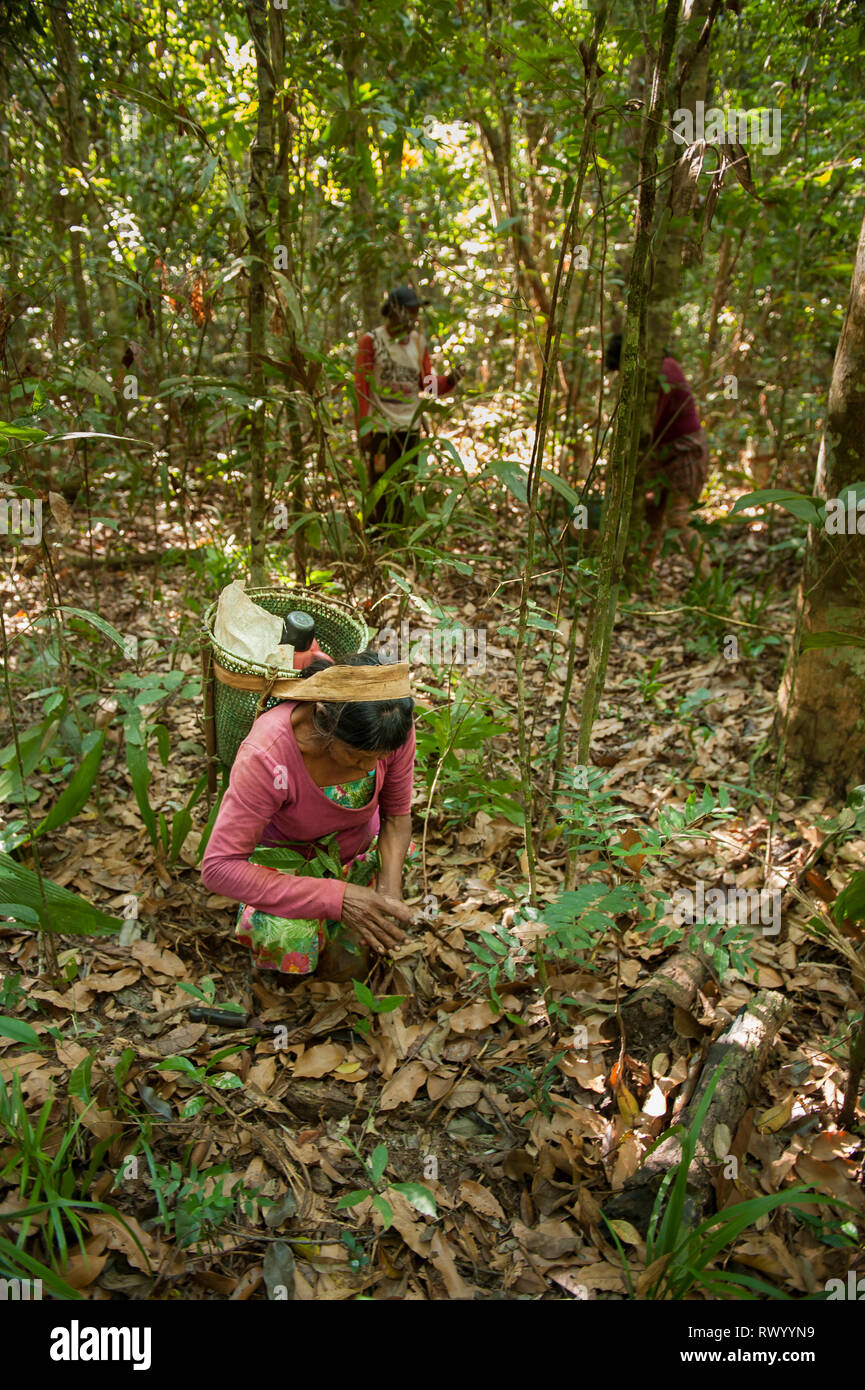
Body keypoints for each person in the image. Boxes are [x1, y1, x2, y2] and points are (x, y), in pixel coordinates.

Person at [200, 653, 416, 987]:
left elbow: (396, 818)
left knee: (354, 961)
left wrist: (389, 892)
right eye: (357, 757)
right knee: (287, 937)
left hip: (356, 851)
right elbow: (220, 868)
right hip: (289, 868)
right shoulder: (268, 756)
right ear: (322, 720)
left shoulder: (388, 726)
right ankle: (286, 981)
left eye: (380, 758)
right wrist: (336, 898)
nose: (370, 768)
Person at [354, 285, 464, 526]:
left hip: (409, 430)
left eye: (416, 312)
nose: (414, 318)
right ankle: (379, 539)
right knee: (380, 486)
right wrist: (362, 430)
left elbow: (425, 385)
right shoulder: (372, 341)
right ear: (393, 312)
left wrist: (450, 380)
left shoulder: (418, 342)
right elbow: (361, 388)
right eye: (409, 311)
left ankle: (401, 537)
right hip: (381, 430)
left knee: (406, 485)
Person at [605, 333, 711, 578]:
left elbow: (646, 424)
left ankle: (712, 586)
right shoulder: (657, 370)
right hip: (662, 454)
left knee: (679, 518)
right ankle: (639, 578)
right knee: (652, 515)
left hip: (685, 452)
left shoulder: (663, 371)